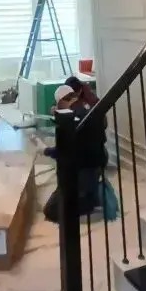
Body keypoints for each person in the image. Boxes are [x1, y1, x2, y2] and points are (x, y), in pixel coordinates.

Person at [41, 84, 107, 223]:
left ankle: (89, 201)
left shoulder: (73, 117)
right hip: (97, 163)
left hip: (83, 170)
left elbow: (64, 151)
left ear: (62, 101)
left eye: (58, 104)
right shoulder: (87, 108)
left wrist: (44, 150)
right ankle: (88, 195)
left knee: (51, 210)